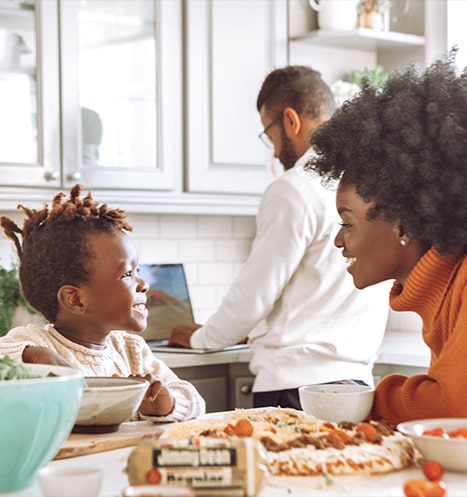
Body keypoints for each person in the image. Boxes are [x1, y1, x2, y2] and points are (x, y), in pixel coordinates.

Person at [170, 65, 390, 409]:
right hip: (356, 388)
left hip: (294, 389)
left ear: (291, 120)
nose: (273, 151)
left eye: (269, 134)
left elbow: (254, 295)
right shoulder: (364, 182)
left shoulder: (292, 189)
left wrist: (202, 337)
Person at [305, 51, 467, 425]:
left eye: (347, 224)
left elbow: (453, 410)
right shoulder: (443, 290)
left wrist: (371, 401)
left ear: (404, 225)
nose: (338, 242)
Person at [0, 184, 205, 422]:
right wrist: (36, 356)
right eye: (127, 274)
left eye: (137, 270)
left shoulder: (131, 350)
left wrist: (166, 403)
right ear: (75, 299)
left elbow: (195, 401)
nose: (144, 284)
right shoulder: (35, 341)